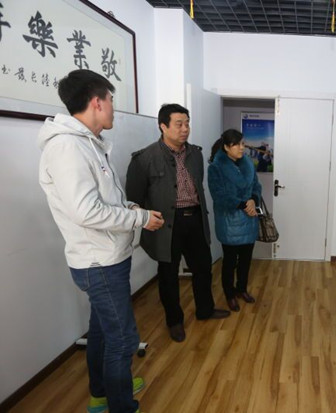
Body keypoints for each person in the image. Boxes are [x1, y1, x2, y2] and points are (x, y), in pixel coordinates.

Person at [38, 69, 163, 413]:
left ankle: (102, 391)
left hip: (109, 258)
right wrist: (140, 218)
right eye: (110, 100)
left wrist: (131, 207)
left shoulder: (89, 144)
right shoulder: (67, 147)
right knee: (122, 338)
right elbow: (86, 211)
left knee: (103, 331)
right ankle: (120, 404)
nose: (112, 108)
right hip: (99, 263)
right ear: (97, 102)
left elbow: (104, 199)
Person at [125, 104, 230, 343]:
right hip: (167, 225)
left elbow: (198, 186)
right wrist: (145, 221)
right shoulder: (144, 159)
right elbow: (134, 199)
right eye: (179, 124)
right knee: (168, 275)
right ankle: (174, 321)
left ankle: (205, 310)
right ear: (163, 126)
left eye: (187, 123)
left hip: (195, 219)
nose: (185, 129)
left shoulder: (195, 154)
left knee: (203, 268)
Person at [208, 129, 262, 312]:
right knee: (230, 262)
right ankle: (229, 294)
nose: (241, 148)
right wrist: (243, 204)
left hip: (249, 219)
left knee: (246, 260)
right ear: (226, 147)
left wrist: (253, 199)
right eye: (236, 144)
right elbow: (219, 196)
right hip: (229, 222)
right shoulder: (215, 168)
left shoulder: (248, 163)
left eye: (243, 143)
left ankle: (242, 289)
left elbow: (256, 185)